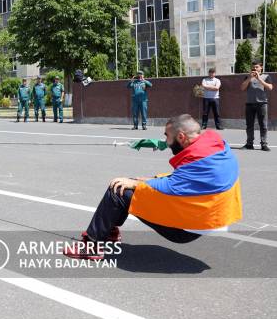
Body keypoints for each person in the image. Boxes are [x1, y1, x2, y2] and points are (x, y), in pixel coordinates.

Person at [65, 114, 242, 260]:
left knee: (118, 190)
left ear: (181, 137)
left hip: (187, 228)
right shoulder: (214, 147)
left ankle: (91, 245)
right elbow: (187, 180)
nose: (165, 140)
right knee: (135, 183)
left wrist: (137, 183)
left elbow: (172, 186)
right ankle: (109, 231)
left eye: (167, 136)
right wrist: (144, 180)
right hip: (210, 216)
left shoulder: (197, 160)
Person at [240, 61, 273, 151]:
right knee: (249, 125)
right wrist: (249, 78)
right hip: (249, 104)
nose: (254, 69)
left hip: (262, 104)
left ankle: (264, 144)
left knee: (263, 125)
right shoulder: (248, 77)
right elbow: (242, 88)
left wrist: (259, 79)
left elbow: (270, 87)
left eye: (257, 67)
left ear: (261, 68)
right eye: (253, 67)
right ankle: (249, 144)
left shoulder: (266, 76)